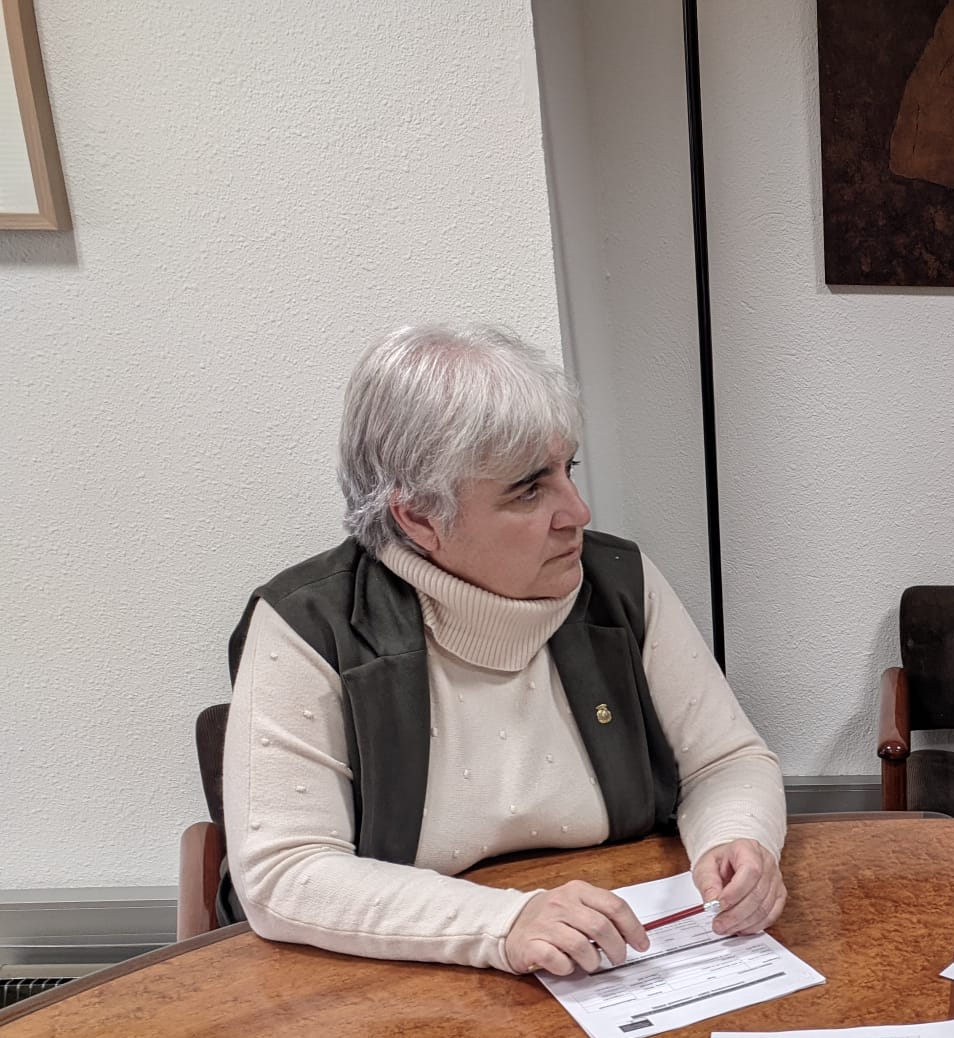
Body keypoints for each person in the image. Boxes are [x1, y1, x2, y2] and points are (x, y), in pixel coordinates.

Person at [222, 324, 786, 975]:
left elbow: (726, 761)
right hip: (408, 983)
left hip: (623, 956)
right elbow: (283, 873)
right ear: (419, 518)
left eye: (568, 470)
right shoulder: (307, 625)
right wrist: (503, 922)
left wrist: (737, 838)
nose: (578, 511)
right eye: (528, 490)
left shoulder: (620, 582)